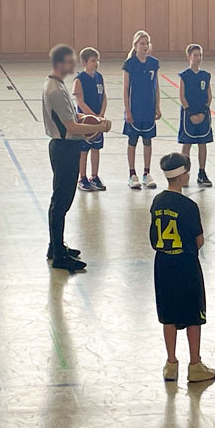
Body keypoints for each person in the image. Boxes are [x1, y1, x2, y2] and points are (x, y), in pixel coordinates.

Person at [42, 45, 112, 272]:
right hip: (65, 148)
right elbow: (71, 126)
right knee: (61, 202)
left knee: (60, 200)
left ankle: (56, 246)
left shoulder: (55, 84)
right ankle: (59, 255)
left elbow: (71, 116)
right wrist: (101, 126)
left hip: (63, 146)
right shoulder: (56, 90)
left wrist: (86, 116)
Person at [149, 153, 215, 383]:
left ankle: (171, 364)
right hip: (186, 265)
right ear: (182, 175)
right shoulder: (189, 206)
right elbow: (198, 240)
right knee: (193, 315)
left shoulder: (157, 201)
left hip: (163, 264)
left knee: (168, 314)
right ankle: (195, 364)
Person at [123, 30, 161, 189]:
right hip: (135, 109)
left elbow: (156, 86)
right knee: (132, 141)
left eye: (147, 43)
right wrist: (128, 110)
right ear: (135, 46)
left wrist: (157, 107)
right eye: (142, 44)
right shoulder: (130, 64)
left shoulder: (154, 63)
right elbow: (125, 89)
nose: (145, 46)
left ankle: (146, 173)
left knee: (147, 141)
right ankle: (132, 174)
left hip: (149, 109)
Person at [72, 47, 108, 191]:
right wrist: (93, 117)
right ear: (84, 62)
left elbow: (104, 96)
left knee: (96, 148)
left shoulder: (99, 77)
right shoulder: (79, 80)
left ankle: (95, 176)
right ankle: (82, 177)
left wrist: (101, 115)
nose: (96, 63)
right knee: (83, 150)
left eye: (97, 60)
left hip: (98, 119)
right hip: (85, 121)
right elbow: (80, 102)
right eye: (93, 60)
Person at [178, 44, 213, 187]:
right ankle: (183, 173)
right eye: (195, 55)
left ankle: (202, 172)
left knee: (202, 143)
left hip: (203, 114)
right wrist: (191, 113)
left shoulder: (206, 76)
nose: (198, 58)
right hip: (189, 115)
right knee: (187, 144)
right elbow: (182, 96)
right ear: (189, 57)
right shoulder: (184, 76)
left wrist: (204, 112)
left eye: (200, 55)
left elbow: (209, 96)